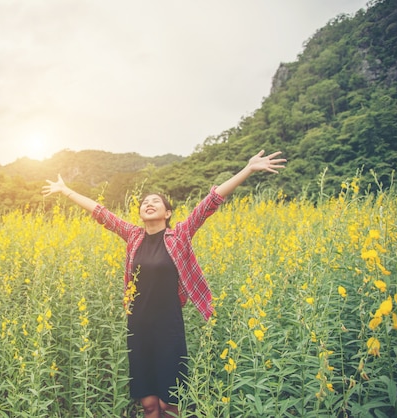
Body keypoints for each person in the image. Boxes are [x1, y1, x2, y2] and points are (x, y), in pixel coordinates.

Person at [42, 150, 286, 417]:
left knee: (169, 403)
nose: (148, 204)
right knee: (148, 404)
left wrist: (248, 169)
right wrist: (66, 191)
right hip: (138, 326)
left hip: (169, 327)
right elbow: (100, 212)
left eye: (155, 201)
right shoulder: (133, 236)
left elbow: (210, 202)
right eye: (144, 202)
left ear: (167, 212)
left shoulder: (179, 235)